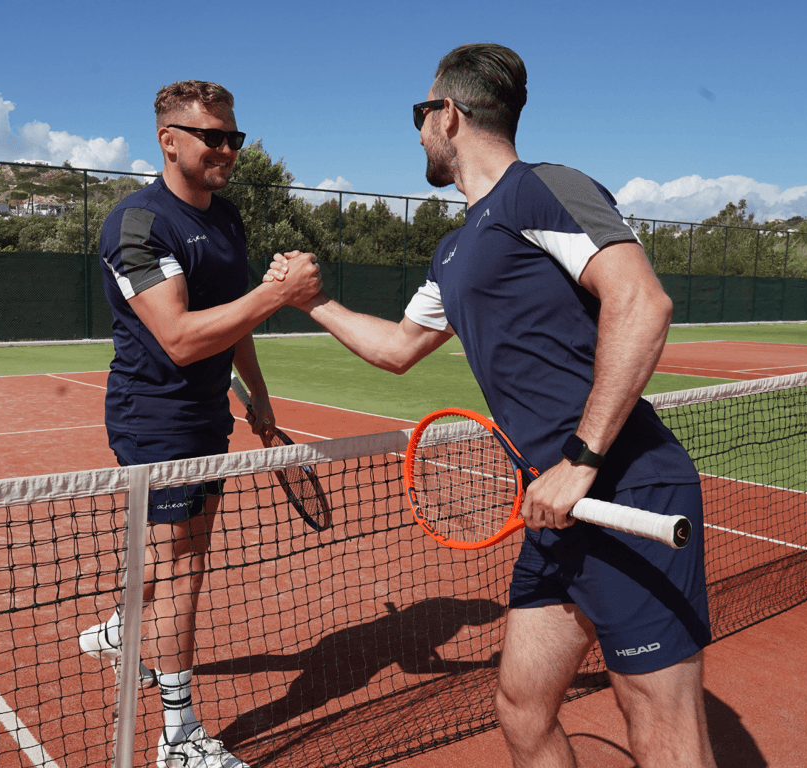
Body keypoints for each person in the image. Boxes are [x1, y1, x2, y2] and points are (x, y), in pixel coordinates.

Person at [268, 44, 715, 768]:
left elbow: (642, 300)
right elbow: (398, 347)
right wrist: (313, 303)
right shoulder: (455, 249)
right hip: (554, 510)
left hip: (624, 488)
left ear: (450, 114)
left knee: (658, 718)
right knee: (521, 708)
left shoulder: (544, 188)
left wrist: (580, 460)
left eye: (420, 114)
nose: (416, 132)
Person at [82, 79, 321, 768]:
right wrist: (278, 293)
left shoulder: (227, 218)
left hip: (207, 417)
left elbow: (233, 316)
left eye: (234, 137)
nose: (227, 149)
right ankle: (179, 738)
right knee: (187, 567)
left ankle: (127, 627)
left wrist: (261, 395)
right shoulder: (138, 225)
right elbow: (183, 337)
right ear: (169, 141)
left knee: (175, 555)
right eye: (212, 137)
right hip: (155, 422)